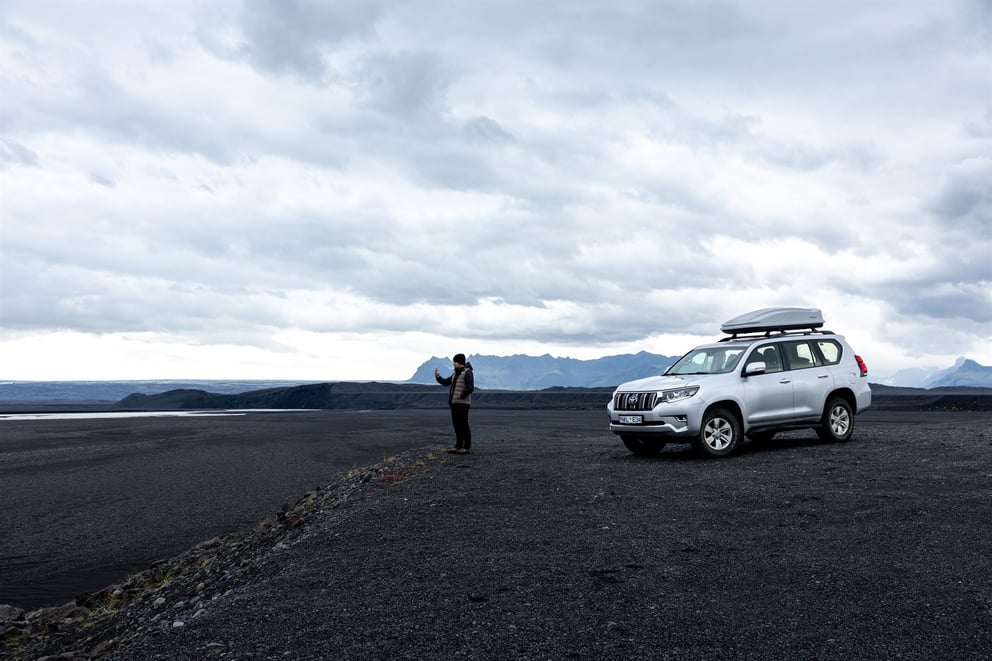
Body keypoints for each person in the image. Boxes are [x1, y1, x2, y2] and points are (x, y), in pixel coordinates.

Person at [434, 353, 474, 454]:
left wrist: (461, 395)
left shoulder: (467, 372)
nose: (453, 364)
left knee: (463, 425)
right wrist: (438, 378)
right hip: (455, 403)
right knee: (457, 425)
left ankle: (466, 447)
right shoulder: (456, 374)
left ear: (459, 362)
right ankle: (458, 445)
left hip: (463, 404)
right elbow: (446, 382)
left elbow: (470, 387)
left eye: (455, 362)